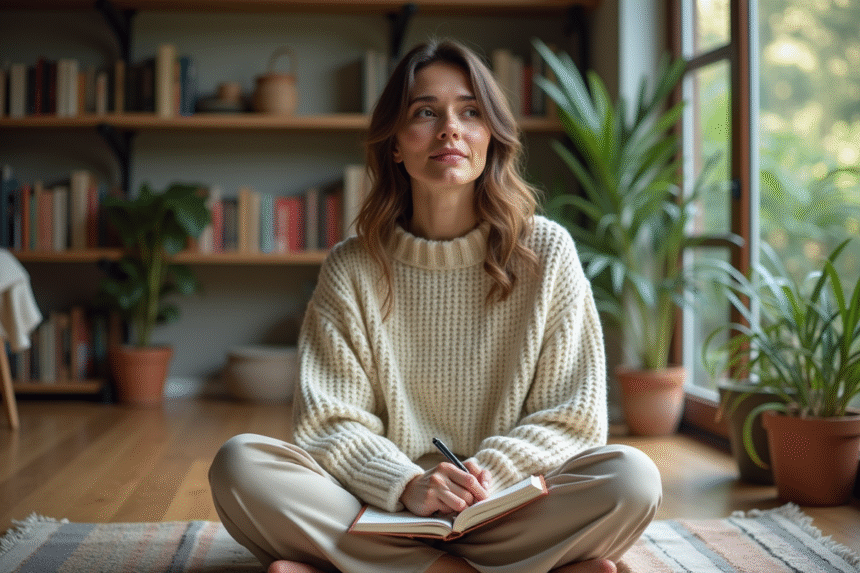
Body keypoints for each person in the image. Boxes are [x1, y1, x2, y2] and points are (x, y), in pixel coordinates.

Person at [209, 39, 662, 573]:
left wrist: (484, 475)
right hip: (384, 510)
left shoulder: (547, 252)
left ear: (490, 138)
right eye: (426, 112)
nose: (450, 128)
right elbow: (330, 422)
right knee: (240, 466)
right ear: (396, 144)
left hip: (511, 504)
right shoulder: (350, 267)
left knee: (633, 479)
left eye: (470, 112)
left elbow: (573, 418)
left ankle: (375, 568)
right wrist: (408, 485)